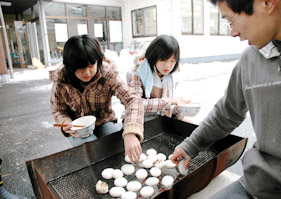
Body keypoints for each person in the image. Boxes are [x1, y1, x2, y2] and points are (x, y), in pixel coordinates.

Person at [171, 0, 281, 198]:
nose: (233, 32)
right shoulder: (251, 58)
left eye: (231, 20)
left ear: (267, 3)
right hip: (255, 186)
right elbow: (226, 113)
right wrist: (190, 146)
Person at [50, 34, 144, 162]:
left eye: (91, 65)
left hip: (104, 121)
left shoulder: (107, 73)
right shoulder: (61, 80)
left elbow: (132, 99)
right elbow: (58, 110)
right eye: (81, 67)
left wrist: (131, 131)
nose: (87, 72)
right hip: (78, 128)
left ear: (98, 60)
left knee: (116, 145)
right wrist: (65, 122)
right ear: (70, 66)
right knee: (92, 150)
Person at [127, 35, 190, 122]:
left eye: (172, 61)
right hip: (139, 122)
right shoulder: (138, 73)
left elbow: (170, 107)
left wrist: (182, 107)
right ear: (153, 57)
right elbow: (137, 104)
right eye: (163, 60)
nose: (167, 66)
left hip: (162, 121)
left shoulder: (172, 77)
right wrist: (170, 101)